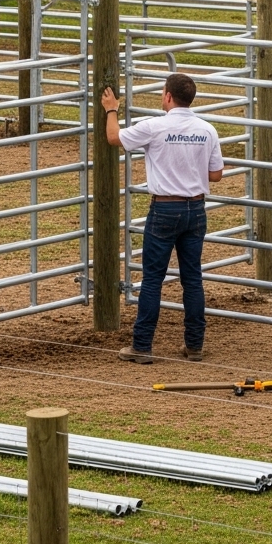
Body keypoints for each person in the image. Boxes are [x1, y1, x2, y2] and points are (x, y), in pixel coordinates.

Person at [102, 74, 224, 364]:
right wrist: (190, 169)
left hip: (164, 209)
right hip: (195, 210)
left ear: (168, 96)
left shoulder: (155, 127)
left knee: (153, 279)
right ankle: (194, 345)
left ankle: (142, 346)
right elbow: (216, 174)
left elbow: (113, 138)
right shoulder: (207, 130)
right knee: (192, 279)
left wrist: (111, 109)